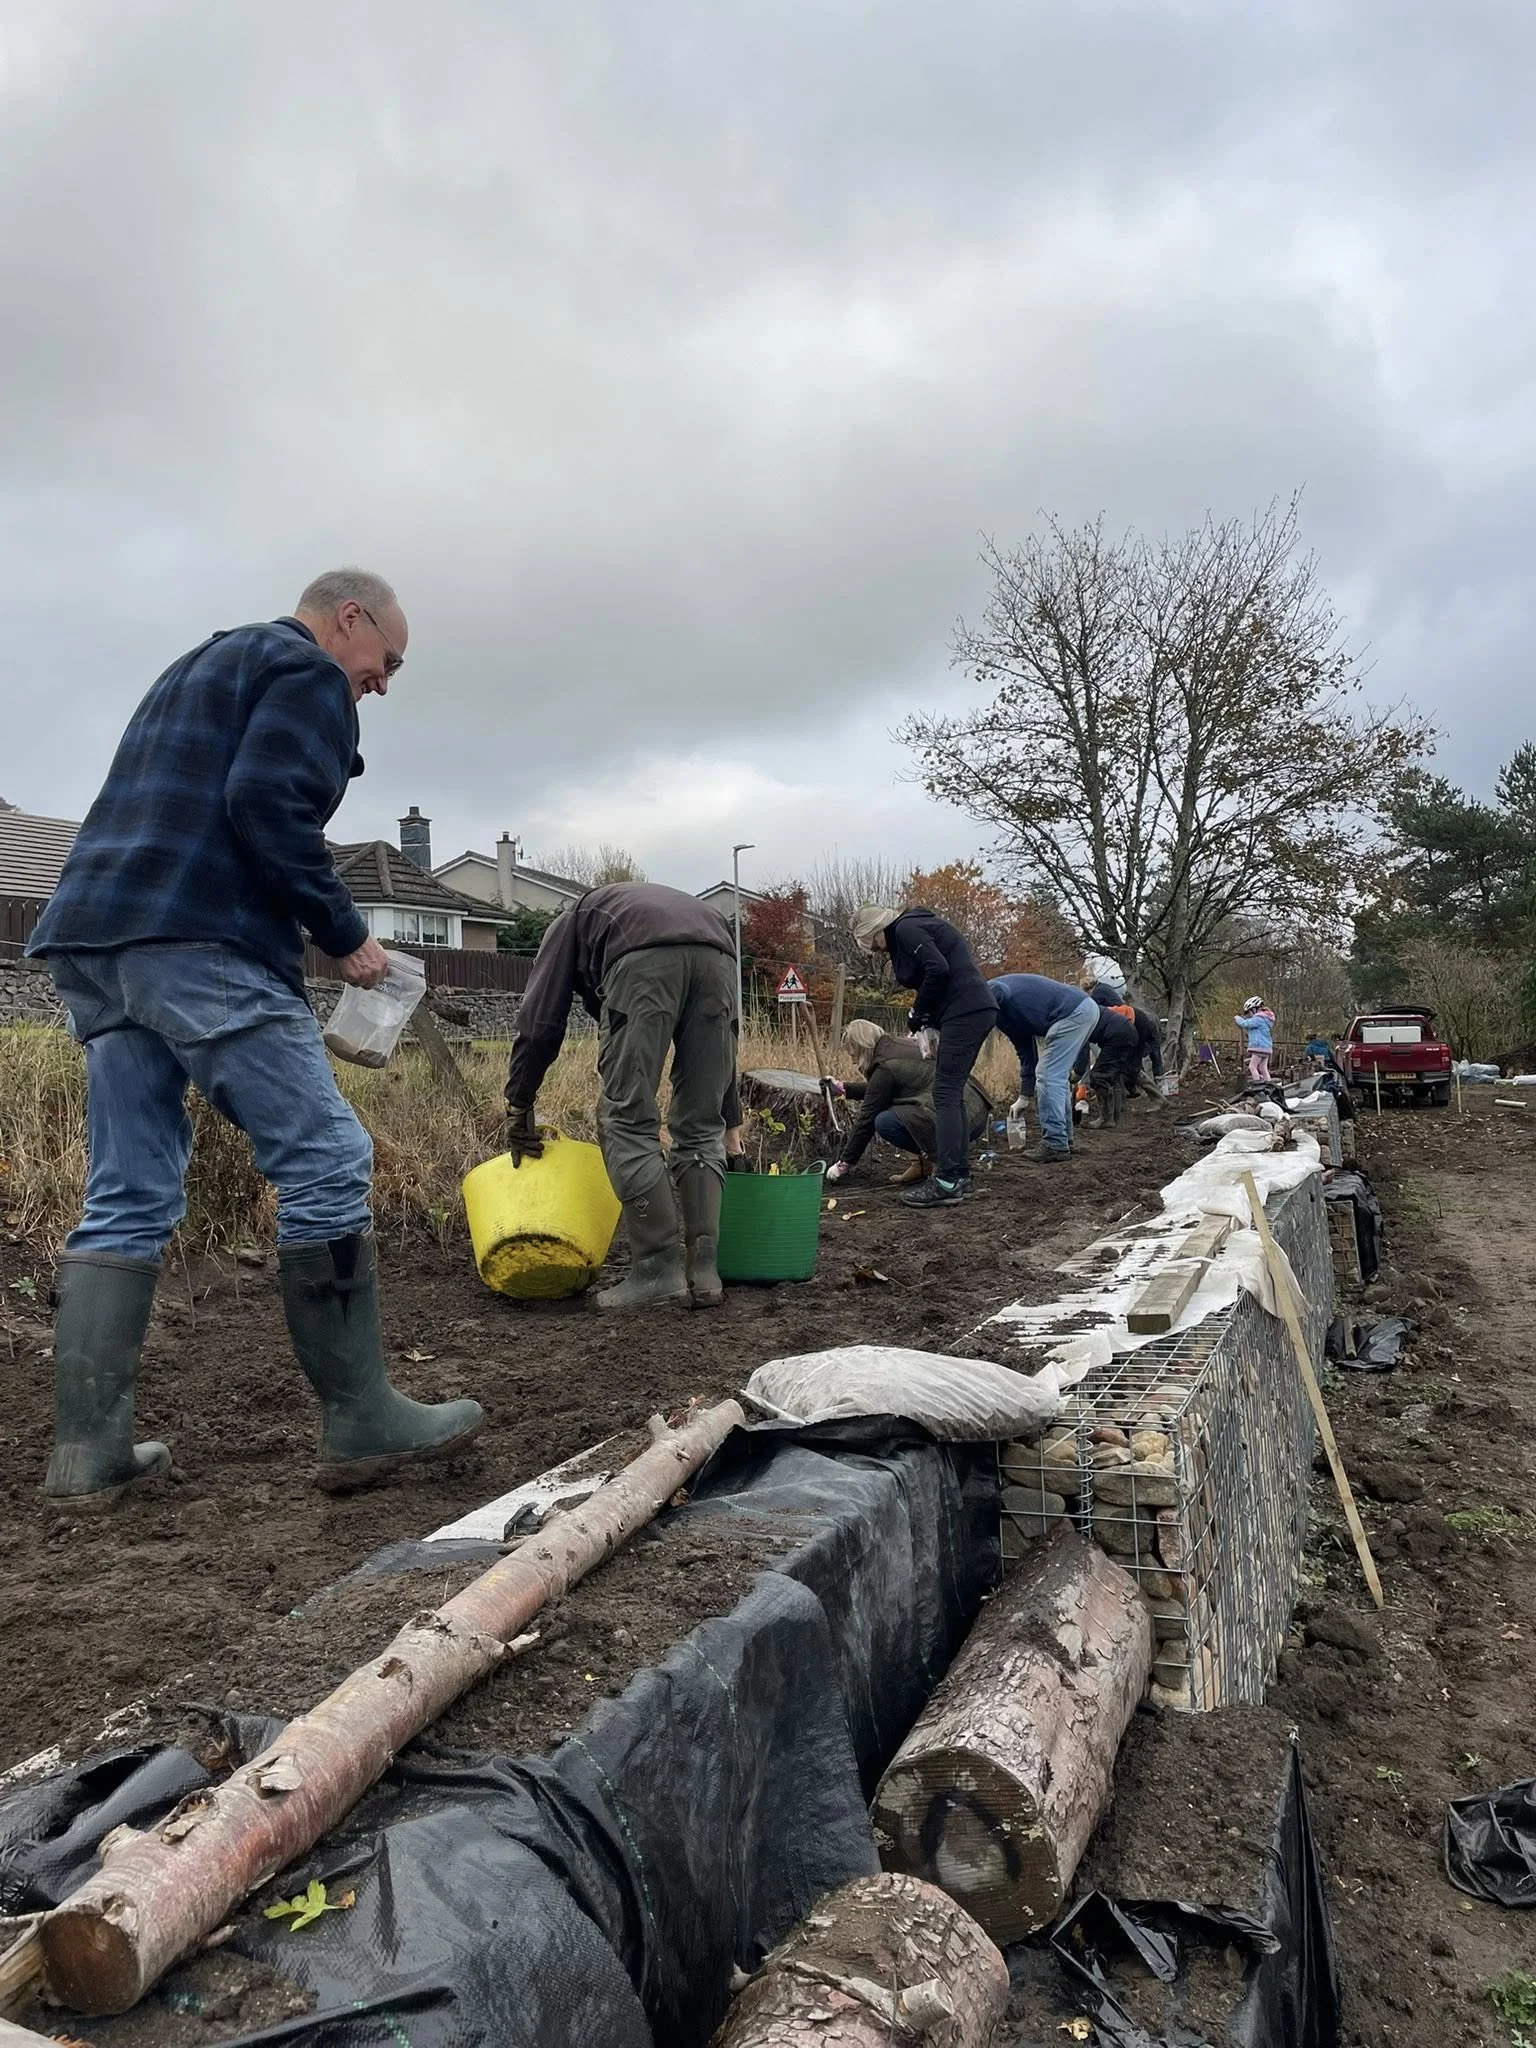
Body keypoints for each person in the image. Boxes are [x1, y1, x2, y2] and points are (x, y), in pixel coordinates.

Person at [24, 570, 483, 1500]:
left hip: (97, 941)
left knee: (127, 1194)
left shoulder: (201, 665)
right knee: (326, 1159)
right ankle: (362, 1421)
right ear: (347, 619)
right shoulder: (307, 673)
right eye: (385, 661)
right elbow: (267, 808)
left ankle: (87, 1454)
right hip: (202, 940)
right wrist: (346, 934)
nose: (383, 684)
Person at [503, 883, 737, 1310]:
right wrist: (730, 1116)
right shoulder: (651, 906)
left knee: (626, 1119)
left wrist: (519, 1103)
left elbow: (539, 1025)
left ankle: (657, 1269)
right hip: (720, 953)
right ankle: (704, 1269)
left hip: (644, 960)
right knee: (702, 1122)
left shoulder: (567, 926)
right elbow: (721, 1061)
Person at [852, 904, 998, 1207]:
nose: (876, 951)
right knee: (951, 1093)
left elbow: (938, 969)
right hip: (972, 1009)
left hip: (966, 1010)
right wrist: (928, 1020)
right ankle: (959, 1176)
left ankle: (946, 1180)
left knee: (944, 1093)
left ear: (875, 931)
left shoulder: (905, 929)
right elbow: (940, 972)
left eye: (871, 944)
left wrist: (919, 1011)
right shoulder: (915, 927)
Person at [825, 1019, 990, 1187]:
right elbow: (879, 1089)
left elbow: (867, 1118)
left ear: (863, 1047)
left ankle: (944, 1166)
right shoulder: (895, 1048)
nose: (853, 1061)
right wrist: (844, 1088)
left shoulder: (885, 1066)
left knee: (886, 1121)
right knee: (901, 1111)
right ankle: (921, 1166)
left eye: (854, 1055)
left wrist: (844, 1164)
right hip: (975, 1110)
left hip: (957, 1122)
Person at [987, 973, 1100, 1163]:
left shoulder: (988, 993)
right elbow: (1026, 1052)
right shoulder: (1006, 1016)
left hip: (1072, 1011)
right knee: (1056, 1076)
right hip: (1083, 1008)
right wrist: (1024, 1097)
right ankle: (1064, 1139)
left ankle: (1055, 1143)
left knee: (1048, 1075)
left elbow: (997, 989)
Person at [1073, 1001, 1142, 1126]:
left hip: (1118, 1035)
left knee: (1098, 1076)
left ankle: (1105, 1119)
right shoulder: (1085, 1007)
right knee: (1113, 1075)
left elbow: (1083, 1048)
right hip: (1127, 1030)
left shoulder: (1078, 1016)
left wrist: (1077, 1073)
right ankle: (1114, 1117)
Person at [1235, 996, 1276, 1083]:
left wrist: (1238, 1019)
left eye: (1249, 1012)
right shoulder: (1265, 1019)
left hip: (1259, 1047)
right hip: (1266, 1048)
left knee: (1252, 1067)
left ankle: (1257, 1086)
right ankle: (1269, 1084)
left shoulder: (1258, 1019)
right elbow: (1250, 1022)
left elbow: (1245, 1024)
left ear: (1255, 1009)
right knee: (1263, 1068)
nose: (1249, 1014)